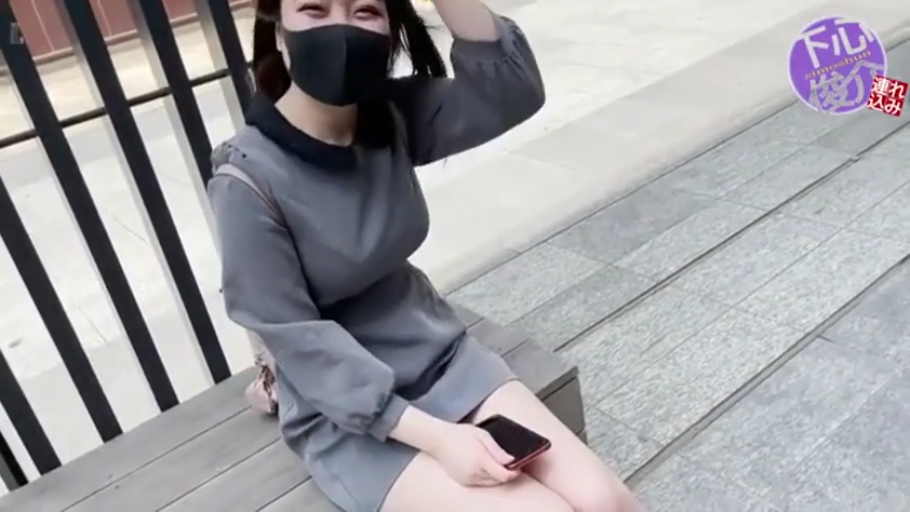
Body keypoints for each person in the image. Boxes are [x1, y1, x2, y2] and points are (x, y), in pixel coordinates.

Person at [207, 0, 644, 511]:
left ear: (390, 28)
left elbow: (511, 91)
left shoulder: (388, 117)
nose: (340, 30)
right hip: (348, 410)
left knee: (608, 501)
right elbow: (295, 339)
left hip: (440, 356)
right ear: (279, 29)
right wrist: (441, 440)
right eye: (314, 9)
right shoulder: (246, 179)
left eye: (364, 11)